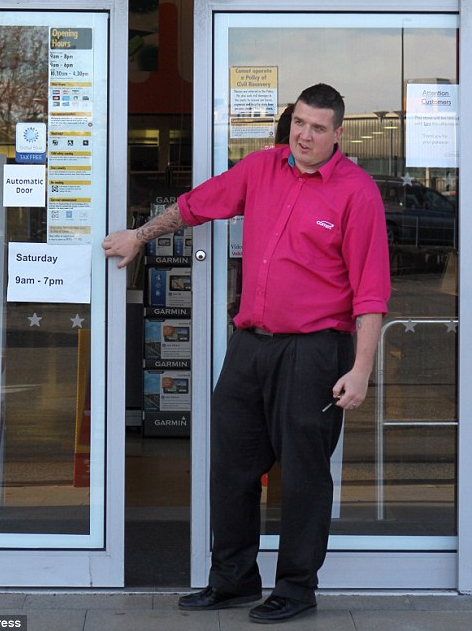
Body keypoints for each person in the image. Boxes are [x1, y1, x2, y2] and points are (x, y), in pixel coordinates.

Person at [102, 83, 390, 624]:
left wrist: (361, 369)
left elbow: (371, 293)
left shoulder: (357, 192)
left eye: (318, 128)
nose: (305, 135)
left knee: (304, 475)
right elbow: (195, 207)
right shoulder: (262, 168)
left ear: (338, 134)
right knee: (231, 468)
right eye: (299, 123)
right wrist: (140, 235)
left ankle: (296, 588)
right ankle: (233, 580)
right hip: (250, 346)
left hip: (315, 350)